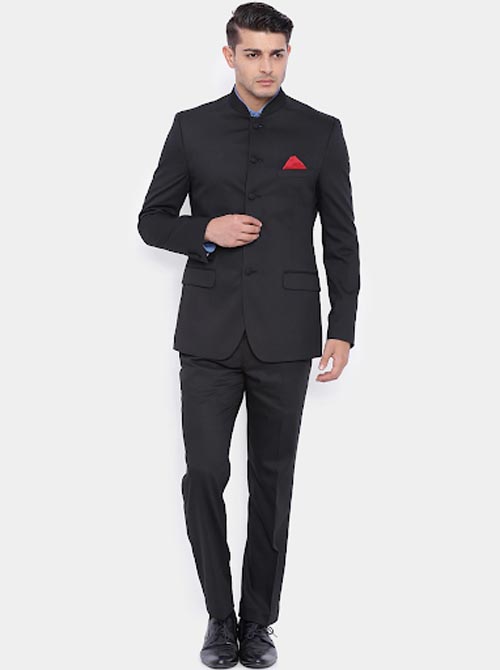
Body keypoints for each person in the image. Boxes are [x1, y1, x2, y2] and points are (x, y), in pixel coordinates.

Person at [137, 2, 360, 667]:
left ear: (289, 55)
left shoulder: (320, 132)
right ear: (229, 55)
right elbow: (151, 220)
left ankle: (258, 622)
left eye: (278, 54)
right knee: (204, 474)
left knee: (273, 481)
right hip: (207, 336)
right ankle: (219, 616)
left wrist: (342, 327)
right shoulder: (192, 127)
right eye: (254, 54)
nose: (267, 66)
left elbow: (341, 239)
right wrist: (203, 230)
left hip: (286, 337)